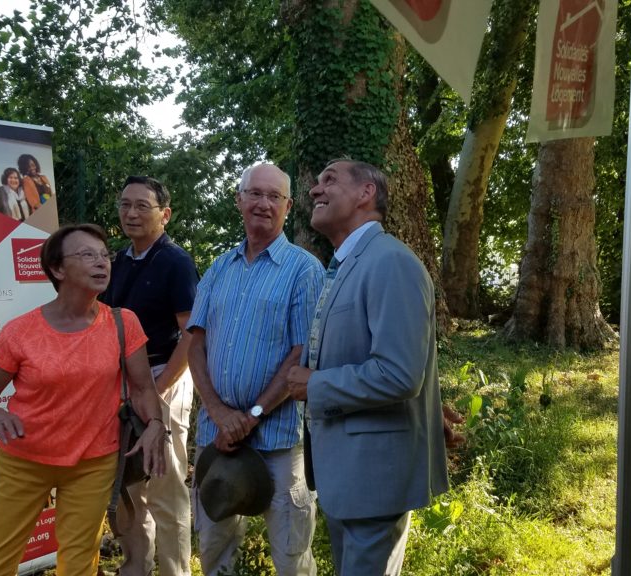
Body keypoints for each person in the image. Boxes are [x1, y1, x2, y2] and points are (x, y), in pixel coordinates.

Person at [0, 223, 169, 576]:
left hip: (94, 463)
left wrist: (155, 423)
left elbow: (142, 390)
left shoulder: (123, 323)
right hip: (24, 462)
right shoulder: (20, 332)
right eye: (88, 255)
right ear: (58, 269)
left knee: (79, 565)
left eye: (104, 255)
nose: (101, 262)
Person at [286, 159, 449, 576]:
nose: (315, 190)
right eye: (316, 182)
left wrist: (315, 384)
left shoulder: (390, 262)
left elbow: (399, 374)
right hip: (346, 474)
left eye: (329, 180)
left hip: (374, 477)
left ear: (366, 193)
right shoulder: (347, 265)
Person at [187, 163, 323, 576]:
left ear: (289, 206)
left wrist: (252, 416)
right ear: (239, 200)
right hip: (217, 437)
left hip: (279, 439)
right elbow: (195, 344)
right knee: (214, 548)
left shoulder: (304, 270)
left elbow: (303, 352)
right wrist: (219, 413)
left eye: (274, 196)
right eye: (255, 193)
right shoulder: (219, 268)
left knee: (291, 556)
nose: (264, 203)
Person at [100, 176, 198, 576]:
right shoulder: (118, 261)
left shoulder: (176, 262)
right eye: (125, 204)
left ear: (165, 214)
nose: (131, 213)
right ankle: (135, 568)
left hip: (163, 376)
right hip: (121, 382)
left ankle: (175, 570)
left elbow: (192, 334)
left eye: (142, 205)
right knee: (129, 483)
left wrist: (159, 389)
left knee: (165, 484)